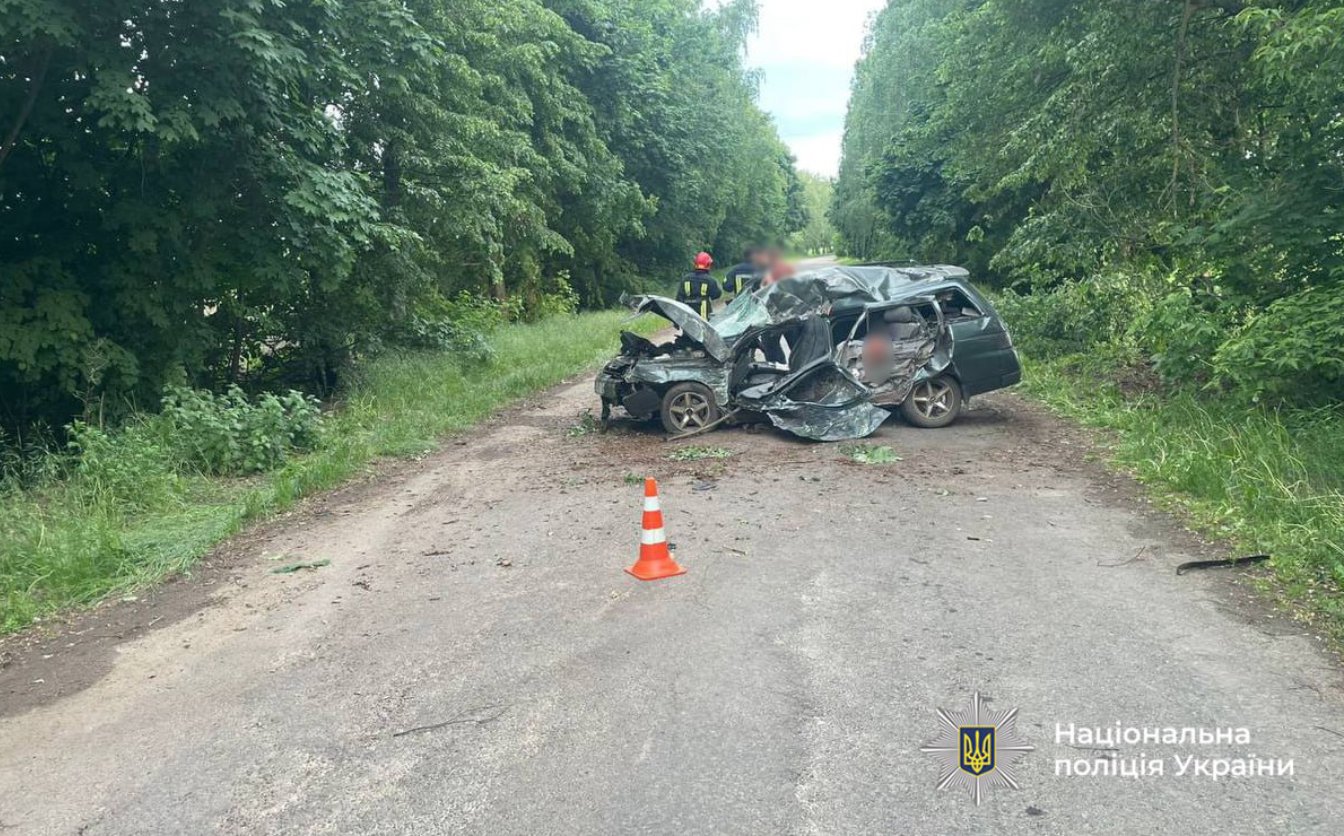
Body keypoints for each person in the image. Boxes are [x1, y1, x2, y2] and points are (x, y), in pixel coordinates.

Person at [676, 251, 721, 319]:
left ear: (695, 264)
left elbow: (679, 299)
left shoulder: (685, 279)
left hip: (688, 319)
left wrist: (677, 319)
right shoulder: (710, 280)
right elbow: (716, 295)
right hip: (704, 319)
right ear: (708, 264)